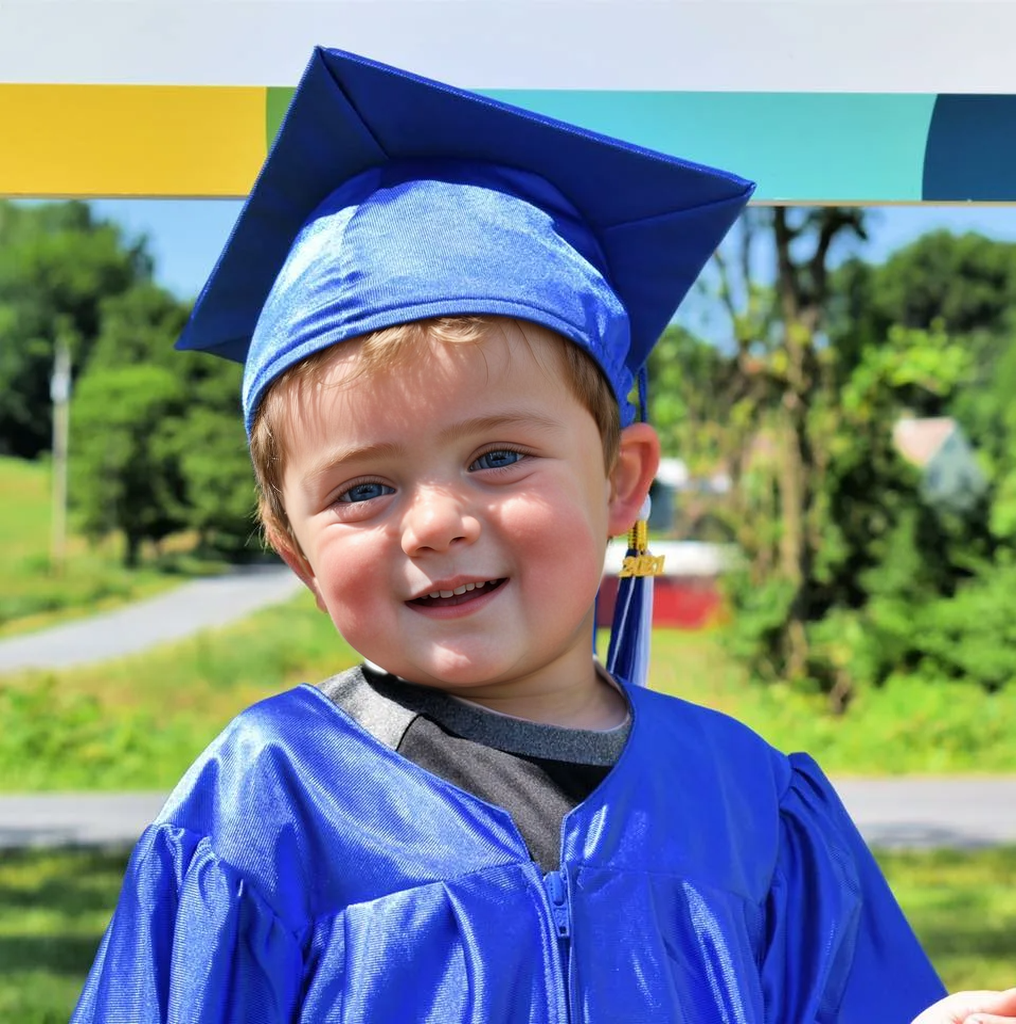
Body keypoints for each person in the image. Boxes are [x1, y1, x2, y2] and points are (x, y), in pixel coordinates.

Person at [72, 47, 1010, 1023]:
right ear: (296, 550)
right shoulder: (262, 810)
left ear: (619, 482)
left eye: (496, 458)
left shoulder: (747, 804)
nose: (435, 522)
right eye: (363, 485)